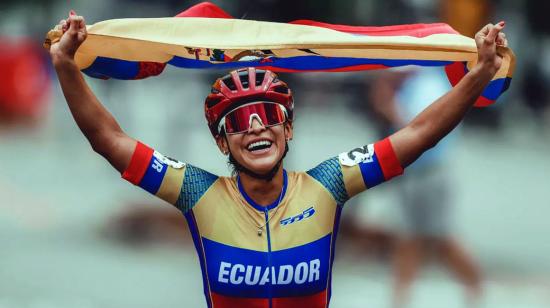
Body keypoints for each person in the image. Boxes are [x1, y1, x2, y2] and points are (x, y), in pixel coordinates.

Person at [49, 11, 508, 308]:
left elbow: (418, 133)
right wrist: (67, 65)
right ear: (220, 143)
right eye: (238, 121)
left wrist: (478, 74)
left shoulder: (328, 184)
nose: (255, 127)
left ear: (288, 129)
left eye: (269, 114)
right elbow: (108, 138)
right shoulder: (197, 193)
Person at [369, 68, 482, 307]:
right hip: (415, 173)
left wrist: (388, 104)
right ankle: (400, 299)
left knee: (441, 238)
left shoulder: (428, 83)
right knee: (408, 238)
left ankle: (475, 285)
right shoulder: (420, 82)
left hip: (430, 174)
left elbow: (421, 130)